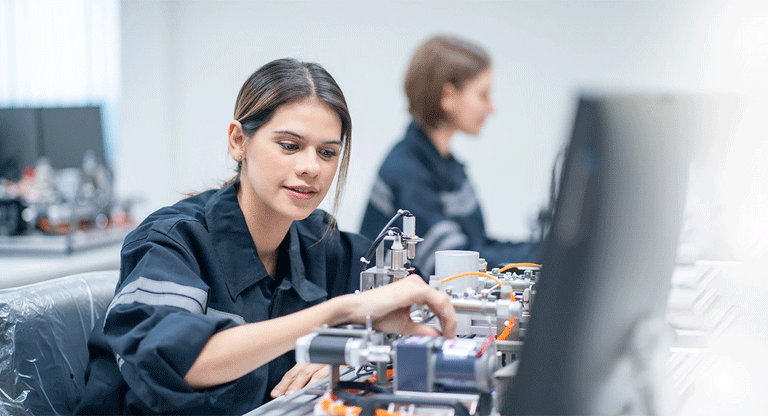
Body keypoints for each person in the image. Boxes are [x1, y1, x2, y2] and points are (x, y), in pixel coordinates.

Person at [75, 58, 457, 415]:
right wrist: (339, 314)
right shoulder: (174, 240)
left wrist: (341, 349)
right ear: (238, 141)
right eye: (289, 146)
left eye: (327, 153)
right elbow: (177, 358)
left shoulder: (316, 240)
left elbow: (400, 294)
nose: (310, 168)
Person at [360, 35, 540, 277]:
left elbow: (479, 246)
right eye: (483, 95)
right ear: (448, 96)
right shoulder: (406, 170)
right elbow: (452, 265)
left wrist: (543, 251)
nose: (491, 108)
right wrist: (540, 254)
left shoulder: (448, 166)